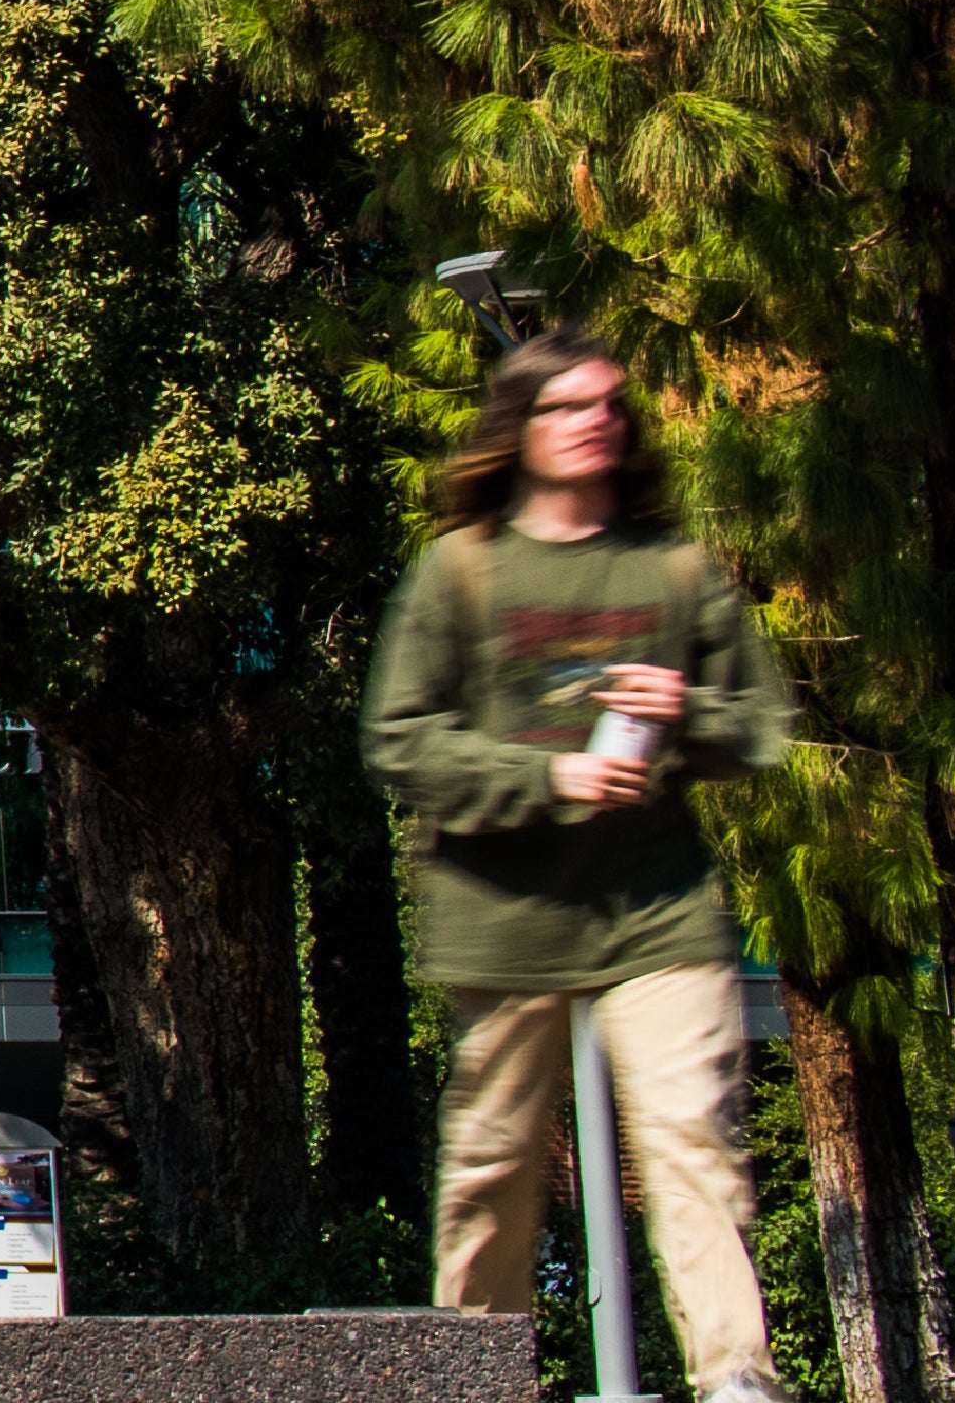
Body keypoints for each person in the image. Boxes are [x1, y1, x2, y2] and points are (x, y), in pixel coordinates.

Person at [371, 332, 785, 1403]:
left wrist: (682, 709)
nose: (594, 419)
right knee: (494, 1172)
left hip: (659, 911)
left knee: (695, 1138)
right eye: (566, 405)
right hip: (506, 918)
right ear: (520, 428)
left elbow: (760, 726)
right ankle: (476, 1374)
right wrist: (552, 777)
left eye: (608, 403)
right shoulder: (460, 570)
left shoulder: (674, 569)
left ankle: (737, 1377)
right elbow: (401, 741)